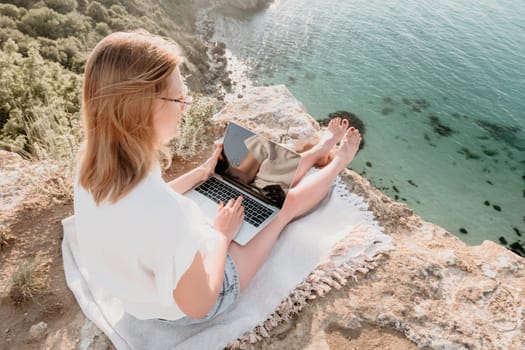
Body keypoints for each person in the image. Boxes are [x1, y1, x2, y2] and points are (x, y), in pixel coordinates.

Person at [74, 30, 362, 324]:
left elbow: (147, 203)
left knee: (257, 179)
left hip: (148, 288)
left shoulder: (94, 162)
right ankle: (336, 163)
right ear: (142, 109)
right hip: (194, 300)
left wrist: (201, 174)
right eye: (179, 98)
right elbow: (199, 303)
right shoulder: (164, 213)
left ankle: (318, 150)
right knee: (281, 205)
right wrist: (221, 235)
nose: (185, 108)